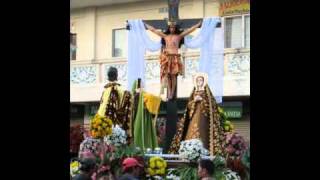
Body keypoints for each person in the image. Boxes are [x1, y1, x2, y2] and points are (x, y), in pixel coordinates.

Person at [169, 73, 225, 156]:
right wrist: (194, 100)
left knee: (203, 132)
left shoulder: (207, 94)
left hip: (203, 117)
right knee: (191, 131)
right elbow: (189, 106)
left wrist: (202, 100)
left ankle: (205, 150)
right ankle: (188, 151)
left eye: (201, 80)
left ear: (204, 82)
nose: (199, 82)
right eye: (197, 80)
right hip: (194, 115)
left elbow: (212, 106)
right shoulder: (194, 93)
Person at [145, 20, 202, 100]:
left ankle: (171, 93)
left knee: (173, 76)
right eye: (171, 27)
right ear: (169, 28)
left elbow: (190, 30)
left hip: (175, 56)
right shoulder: (165, 36)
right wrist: (145, 24)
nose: (172, 29)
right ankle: (169, 92)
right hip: (167, 57)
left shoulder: (179, 36)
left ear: (175, 28)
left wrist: (198, 24)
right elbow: (153, 30)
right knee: (167, 75)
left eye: (173, 27)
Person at [96, 66, 132, 139]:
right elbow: (127, 104)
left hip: (102, 125)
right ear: (117, 76)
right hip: (115, 126)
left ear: (108, 77)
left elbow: (101, 109)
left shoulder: (105, 91)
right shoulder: (121, 90)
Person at [131, 79, 160, 150]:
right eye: (141, 84)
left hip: (140, 119)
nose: (143, 85)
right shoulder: (142, 94)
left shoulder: (140, 94)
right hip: (140, 119)